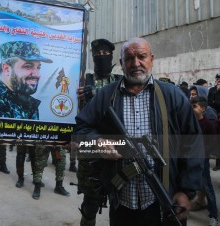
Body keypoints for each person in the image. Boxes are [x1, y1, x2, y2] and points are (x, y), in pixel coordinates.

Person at [75, 37, 204, 226]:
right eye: (129, 58)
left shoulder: (172, 95)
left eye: (141, 56)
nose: (136, 63)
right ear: (121, 63)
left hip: (162, 201)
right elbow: (80, 130)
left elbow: (193, 143)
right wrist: (97, 141)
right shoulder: (106, 95)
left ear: (151, 59)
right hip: (122, 203)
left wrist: (187, 191)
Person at [0, 41, 52, 176]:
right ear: (7, 69)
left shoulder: (26, 100)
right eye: (28, 66)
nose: (36, 74)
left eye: (38, 67)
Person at [75, 38, 122, 226]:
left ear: (111, 56)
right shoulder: (83, 80)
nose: (101, 58)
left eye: (105, 54)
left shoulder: (120, 82)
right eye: (97, 55)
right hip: (90, 149)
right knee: (90, 203)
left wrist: (95, 94)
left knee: (120, 200)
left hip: (116, 146)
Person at [190, 96, 219, 226]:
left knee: (207, 187)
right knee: (189, 185)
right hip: (189, 159)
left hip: (202, 161)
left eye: (195, 107)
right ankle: (191, 205)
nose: (192, 109)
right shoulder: (189, 122)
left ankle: (214, 216)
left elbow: (212, 144)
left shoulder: (208, 125)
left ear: (203, 109)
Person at [208, 73, 220, 171]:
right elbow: (209, 103)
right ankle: (218, 163)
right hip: (215, 118)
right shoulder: (212, 90)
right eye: (217, 79)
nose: (218, 80)